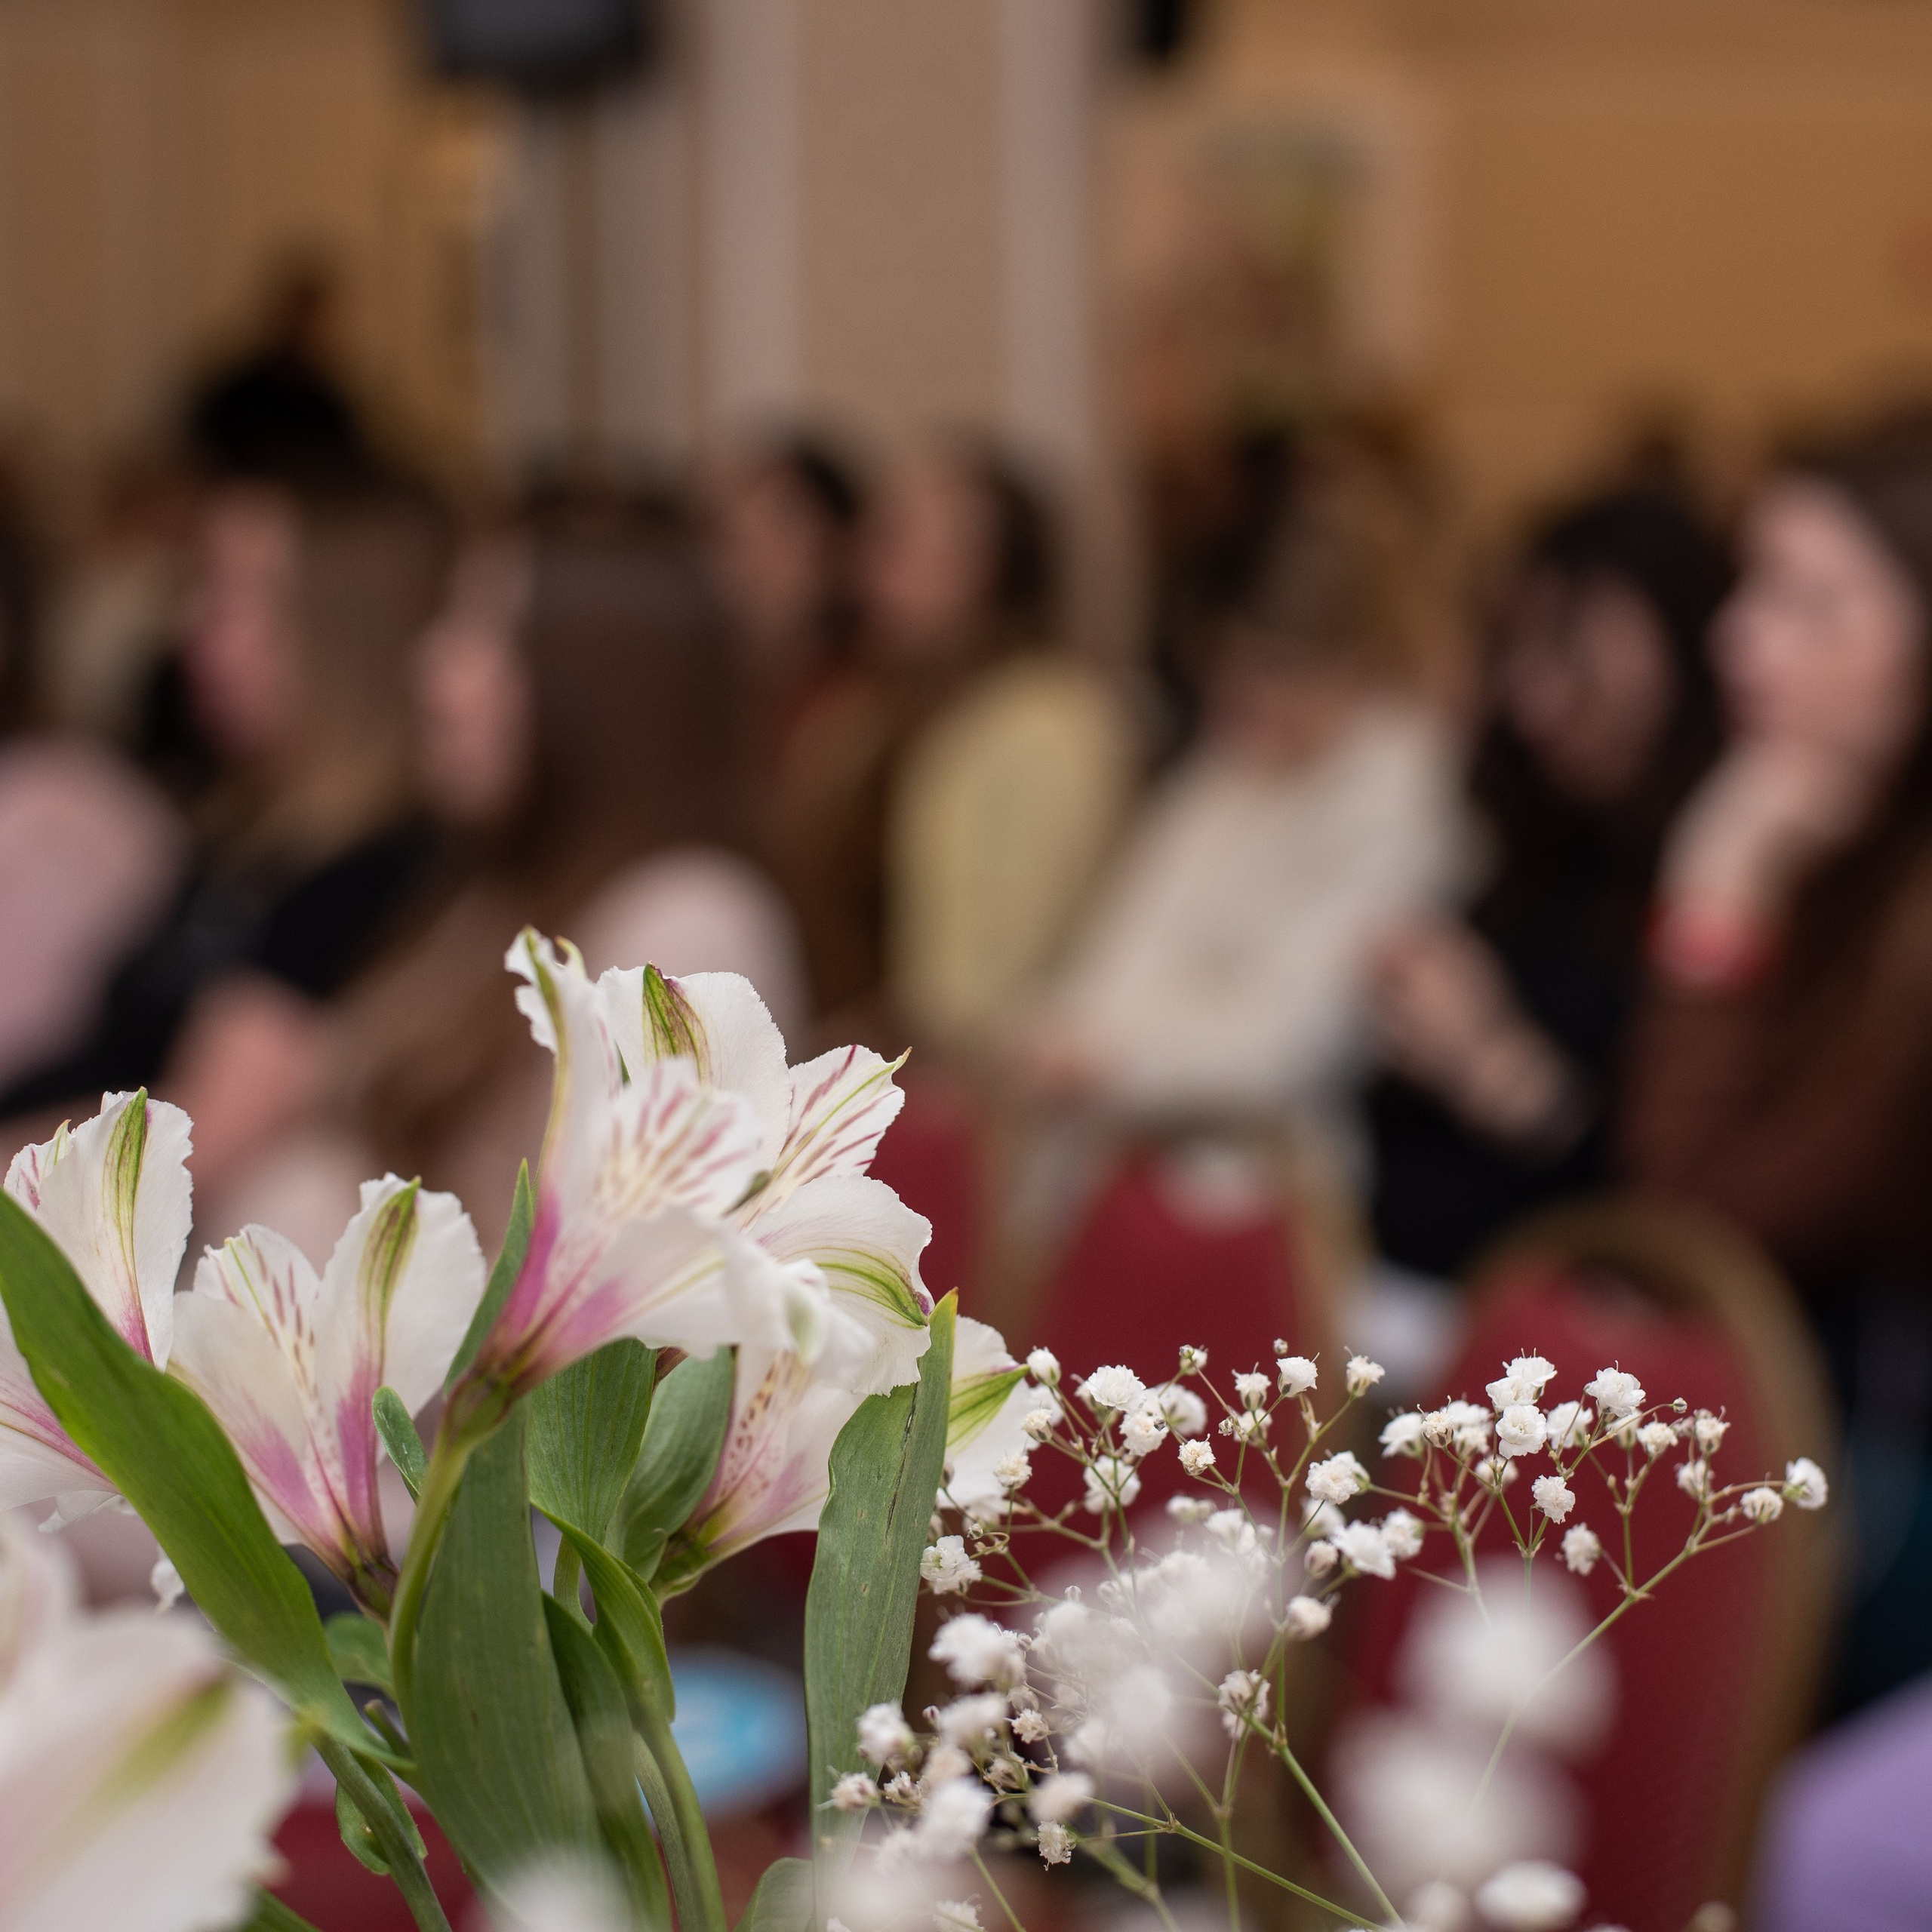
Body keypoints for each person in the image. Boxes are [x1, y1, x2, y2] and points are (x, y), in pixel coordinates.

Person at [1622, 408, 1932, 1708]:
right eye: (1756, 588)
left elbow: (1696, 1225)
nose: (1737, 637)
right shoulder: (1842, 843)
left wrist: (1713, 904)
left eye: (1814, 604)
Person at [321, 499, 805, 1249]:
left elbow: (624, 1315)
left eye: (486, 635)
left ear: (603, 686)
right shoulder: (499, 890)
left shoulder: (690, 927)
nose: (433, 669)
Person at [1019, 438, 1467, 1152]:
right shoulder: (1233, 768)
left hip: (1263, 1165)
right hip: (1126, 1135)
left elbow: (1296, 1036)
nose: (1243, 703)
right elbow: (1132, 938)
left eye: (1271, 676)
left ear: (1351, 665)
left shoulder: (1401, 795)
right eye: (1233, 673)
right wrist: (1063, 1032)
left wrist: (1114, 1061)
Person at [0, 478, 448, 1178]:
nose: (192, 630)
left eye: (232, 598)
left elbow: (202, 1136)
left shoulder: (378, 866)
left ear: (340, 631)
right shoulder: (249, 834)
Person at [1366, 488, 1729, 1280]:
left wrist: (1488, 1065)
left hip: (1585, 1336)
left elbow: (1671, 1186)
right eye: (1516, 655)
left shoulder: (1722, 866)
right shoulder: (1545, 834)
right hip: (1419, 1294)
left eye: (1570, 652)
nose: (1533, 699)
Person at [884, 448, 1136, 1057]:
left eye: (906, 548)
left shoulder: (1038, 730)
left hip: (1006, 1088)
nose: (875, 573)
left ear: (990, 572)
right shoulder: (924, 708)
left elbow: (980, 992)